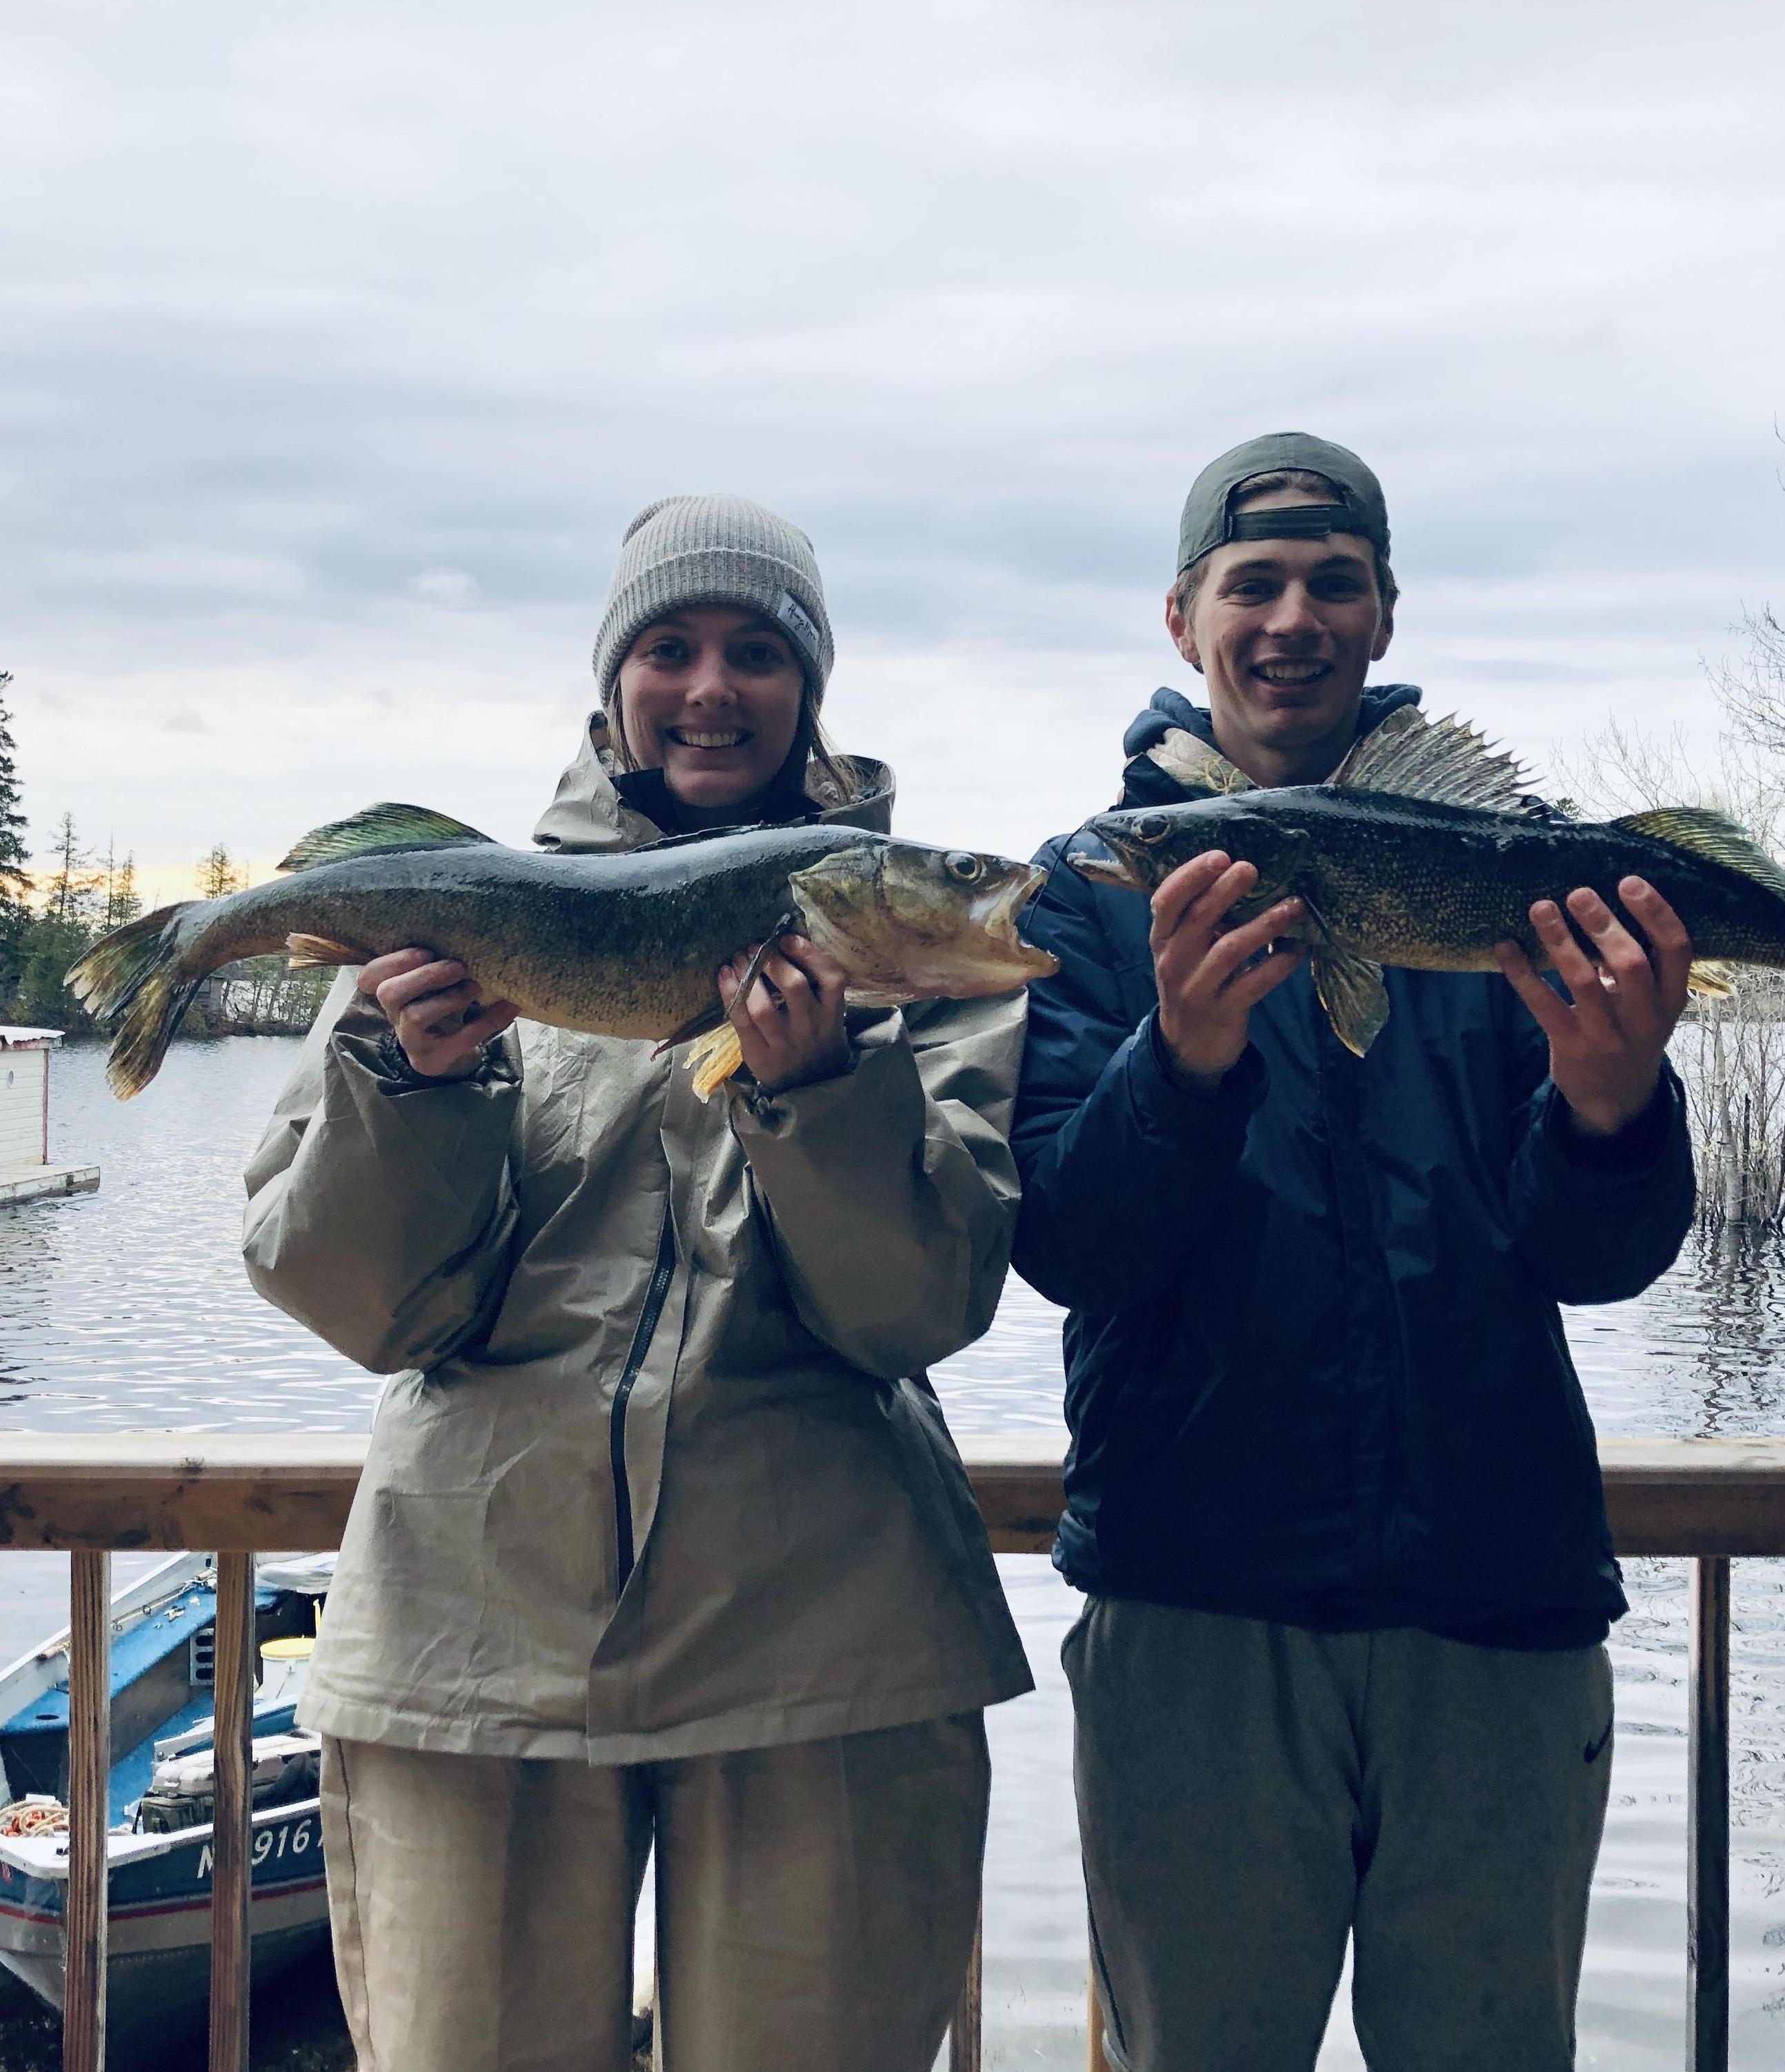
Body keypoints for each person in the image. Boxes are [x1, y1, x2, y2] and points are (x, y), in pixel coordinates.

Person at [245, 494, 1033, 2072]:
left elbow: (915, 1310)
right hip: (470, 1650)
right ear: (608, 682)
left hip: (828, 1642)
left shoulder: (921, 960)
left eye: (757, 650)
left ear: (811, 688)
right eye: (667, 646)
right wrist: (410, 1085)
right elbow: (359, 1303)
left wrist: (819, 1093)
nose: (710, 686)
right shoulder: (451, 926)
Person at [1011, 432, 1697, 2071]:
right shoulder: (1092, 891)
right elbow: (1066, 1242)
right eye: (1251, 584)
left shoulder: (1519, 879)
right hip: (1193, 1605)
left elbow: (1593, 1259)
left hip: (1494, 1598)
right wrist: (1174, 1065)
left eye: (1334, 581)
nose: (1291, 617)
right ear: (1182, 620)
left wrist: (1609, 1107)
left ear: (1385, 615)